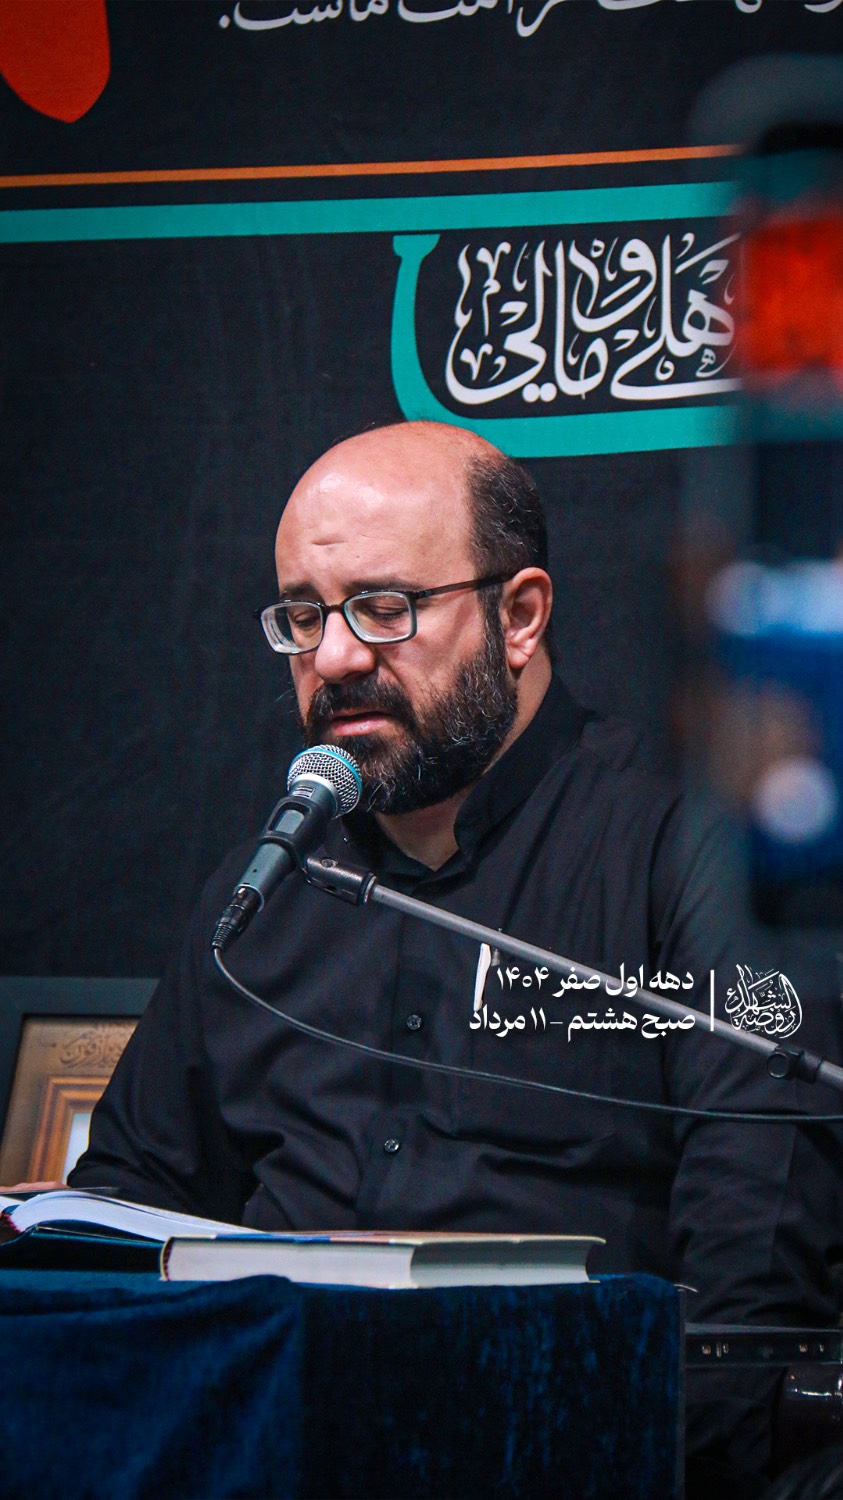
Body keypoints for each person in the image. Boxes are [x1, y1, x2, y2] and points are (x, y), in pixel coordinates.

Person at [54, 421, 843, 1482]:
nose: (335, 658)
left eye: (384, 607)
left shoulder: (692, 846)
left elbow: (750, 1295)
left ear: (518, 615)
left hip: (570, 1446)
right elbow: (123, 1212)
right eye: (303, 617)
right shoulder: (266, 890)